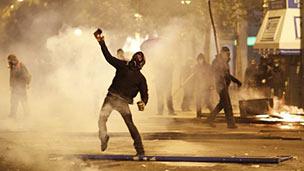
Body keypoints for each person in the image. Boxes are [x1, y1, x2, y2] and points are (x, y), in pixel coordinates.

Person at [94, 29, 148, 156]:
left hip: (113, 99)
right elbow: (145, 95)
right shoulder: (137, 75)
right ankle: (140, 150)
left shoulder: (125, 67)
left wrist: (102, 43)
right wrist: (143, 102)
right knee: (129, 125)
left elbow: (108, 57)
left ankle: (104, 138)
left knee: (102, 120)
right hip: (118, 100)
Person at [207, 47, 242, 129]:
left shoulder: (225, 63)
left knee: (222, 104)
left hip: (225, 85)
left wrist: (236, 81)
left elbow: (227, 75)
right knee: (227, 105)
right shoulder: (216, 62)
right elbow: (213, 72)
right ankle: (230, 124)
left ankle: (210, 119)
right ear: (222, 53)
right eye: (226, 53)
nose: (228, 55)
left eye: (229, 54)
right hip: (220, 86)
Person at [194, 53, 213, 118]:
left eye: (201, 59)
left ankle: (213, 113)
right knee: (198, 100)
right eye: (199, 59)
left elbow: (210, 76)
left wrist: (211, 85)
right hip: (198, 86)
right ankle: (198, 115)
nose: (200, 61)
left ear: (203, 59)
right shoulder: (196, 67)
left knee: (207, 100)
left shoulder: (208, 66)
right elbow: (195, 76)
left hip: (206, 86)